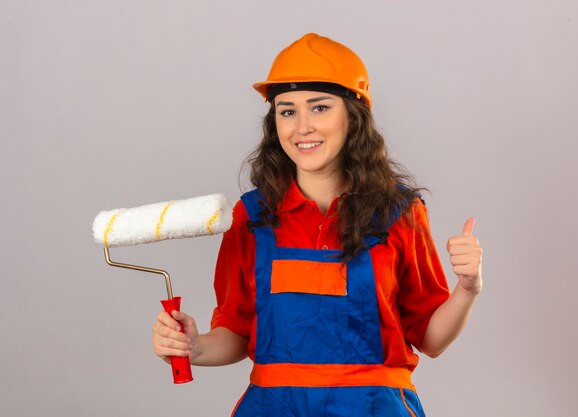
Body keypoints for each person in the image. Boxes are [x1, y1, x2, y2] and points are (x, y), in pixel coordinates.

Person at [152, 33, 483, 417]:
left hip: (375, 407)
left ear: (353, 117)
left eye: (320, 108)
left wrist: (468, 287)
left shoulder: (399, 212)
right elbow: (238, 333)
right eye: (287, 111)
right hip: (274, 407)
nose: (302, 126)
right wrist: (192, 346)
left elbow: (431, 337)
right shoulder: (253, 216)